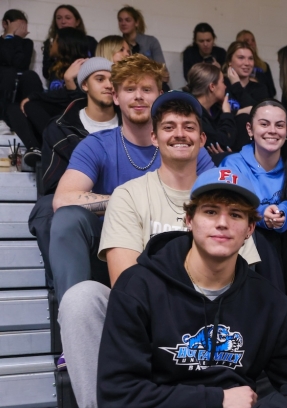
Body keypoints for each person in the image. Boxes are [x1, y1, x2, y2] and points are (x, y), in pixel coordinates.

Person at [61, 166, 287, 408]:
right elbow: (117, 394)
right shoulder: (139, 286)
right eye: (210, 211)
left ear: (250, 229)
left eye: (235, 215)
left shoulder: (269, 302)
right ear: (188, 219)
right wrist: (216, 398)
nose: (222, 223)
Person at [57, 93, 260, 408]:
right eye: (169, 126)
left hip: (210, 322)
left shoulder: (226, 200)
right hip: (148, 318)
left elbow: (245, 282)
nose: (180, 133)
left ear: (202, 138)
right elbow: (125, 284)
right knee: (81, 297)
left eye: (189, 126)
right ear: (154, 136)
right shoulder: (128, 194)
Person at [49, 54, 214, 303]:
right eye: (129, 89)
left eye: (146, 89)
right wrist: (129, 203)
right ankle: (74, 309)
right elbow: (63, 200)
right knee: (68, 219)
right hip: (112, 244)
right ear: (116, 97)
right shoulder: (97, 145)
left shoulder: (183, 145)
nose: (138, 96)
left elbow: (218, 198)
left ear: (160, 95)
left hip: (173, 240)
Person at [222, 100, 287, 327]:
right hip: (254, 233)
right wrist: (261, 213)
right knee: (258, 238)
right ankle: (272, 319)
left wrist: (283, 213)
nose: (272, 131)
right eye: (264, 124)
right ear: (250, 129)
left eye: (279, 125)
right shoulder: (233, 163)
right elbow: (232, 203)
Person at [28, 58, 119, 293]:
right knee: (47, 208)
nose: (109, 84)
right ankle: (67, 297)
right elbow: (57, 189)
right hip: (84, 215)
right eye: (100, 79)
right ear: (85, 85)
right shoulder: (60, 128)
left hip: (126, 215)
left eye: (113, 79)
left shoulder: (133, 123)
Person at [6, 27, 90, 151]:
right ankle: (35, 149)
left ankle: (55, 144)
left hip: (69, 122)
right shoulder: (57, 67)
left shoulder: (81, 67)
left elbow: (72, 99)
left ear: (64, 44)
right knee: (13, 109)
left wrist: (34, 97)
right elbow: (57, 95)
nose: (51, 43)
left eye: (55, 40)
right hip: (52, 119)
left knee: (31, 105)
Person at [184, 62, 237, 163]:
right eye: (223, 82)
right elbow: (225, 142)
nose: (225, 87)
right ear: (212, 86)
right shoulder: (192, 113)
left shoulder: (213, 109)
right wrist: (226, 113)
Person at [224, 41, 271, 149]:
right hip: (225, 145)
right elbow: (216, 118)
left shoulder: (260, 88)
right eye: (241, 57)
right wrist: (241, 111)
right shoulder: (221, 85)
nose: (247, 63)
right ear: (230, 62)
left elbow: (259, 116)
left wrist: (237, 86)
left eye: (250, 58)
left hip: (252, 148)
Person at [0, 9, 40, 121]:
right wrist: (9, 36)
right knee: (8, 73)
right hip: (3, 83)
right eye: (18, 27)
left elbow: (19, 64)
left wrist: (16, 38)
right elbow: (7, 61)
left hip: (19, 83)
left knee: (30, 76)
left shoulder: (27, 43)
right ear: (5, 24)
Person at [42, 5, 97, 85]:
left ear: (77, 22)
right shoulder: (51, 42)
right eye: (59, 18)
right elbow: (46, 72)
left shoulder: (89, 41)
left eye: (68, 18)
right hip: (57, 82)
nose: (63, 21)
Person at [235, 29, 276, 98]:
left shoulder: (264, 66)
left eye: (253, 40)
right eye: (246, 41)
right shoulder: (235, 65)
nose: (251, 43)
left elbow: (272, 91)